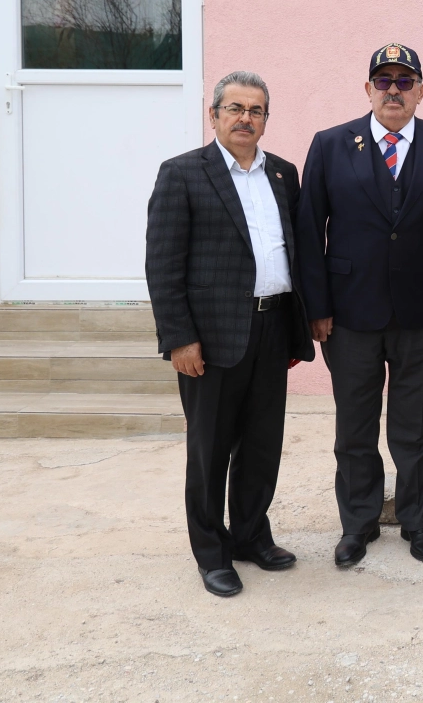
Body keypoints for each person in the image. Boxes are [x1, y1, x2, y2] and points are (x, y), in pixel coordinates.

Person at [295, 44, 423, 568]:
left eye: (404, 80)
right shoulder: (329, 145)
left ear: (421, 90)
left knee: (415, 428)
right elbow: (310, 233)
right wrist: (317, 306)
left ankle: (417, 521)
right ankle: (359, 523)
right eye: (383, 80)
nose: (393, 90)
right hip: (349, 315)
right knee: (354, 427)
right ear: (367, 88)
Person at [145, 70, 314, 598]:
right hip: (210, 340)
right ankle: (211, 552)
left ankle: (250, 536)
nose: (246, 118)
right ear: (213, 114)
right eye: (235, 108)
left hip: (272, 326)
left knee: (263, 446)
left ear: (266, 119)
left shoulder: (284, 174)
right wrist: (179, 338)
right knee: (210, 450)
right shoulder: (182, 174)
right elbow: (163, 264)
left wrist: (295, 329)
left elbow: (293, 251)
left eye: (256, 110)